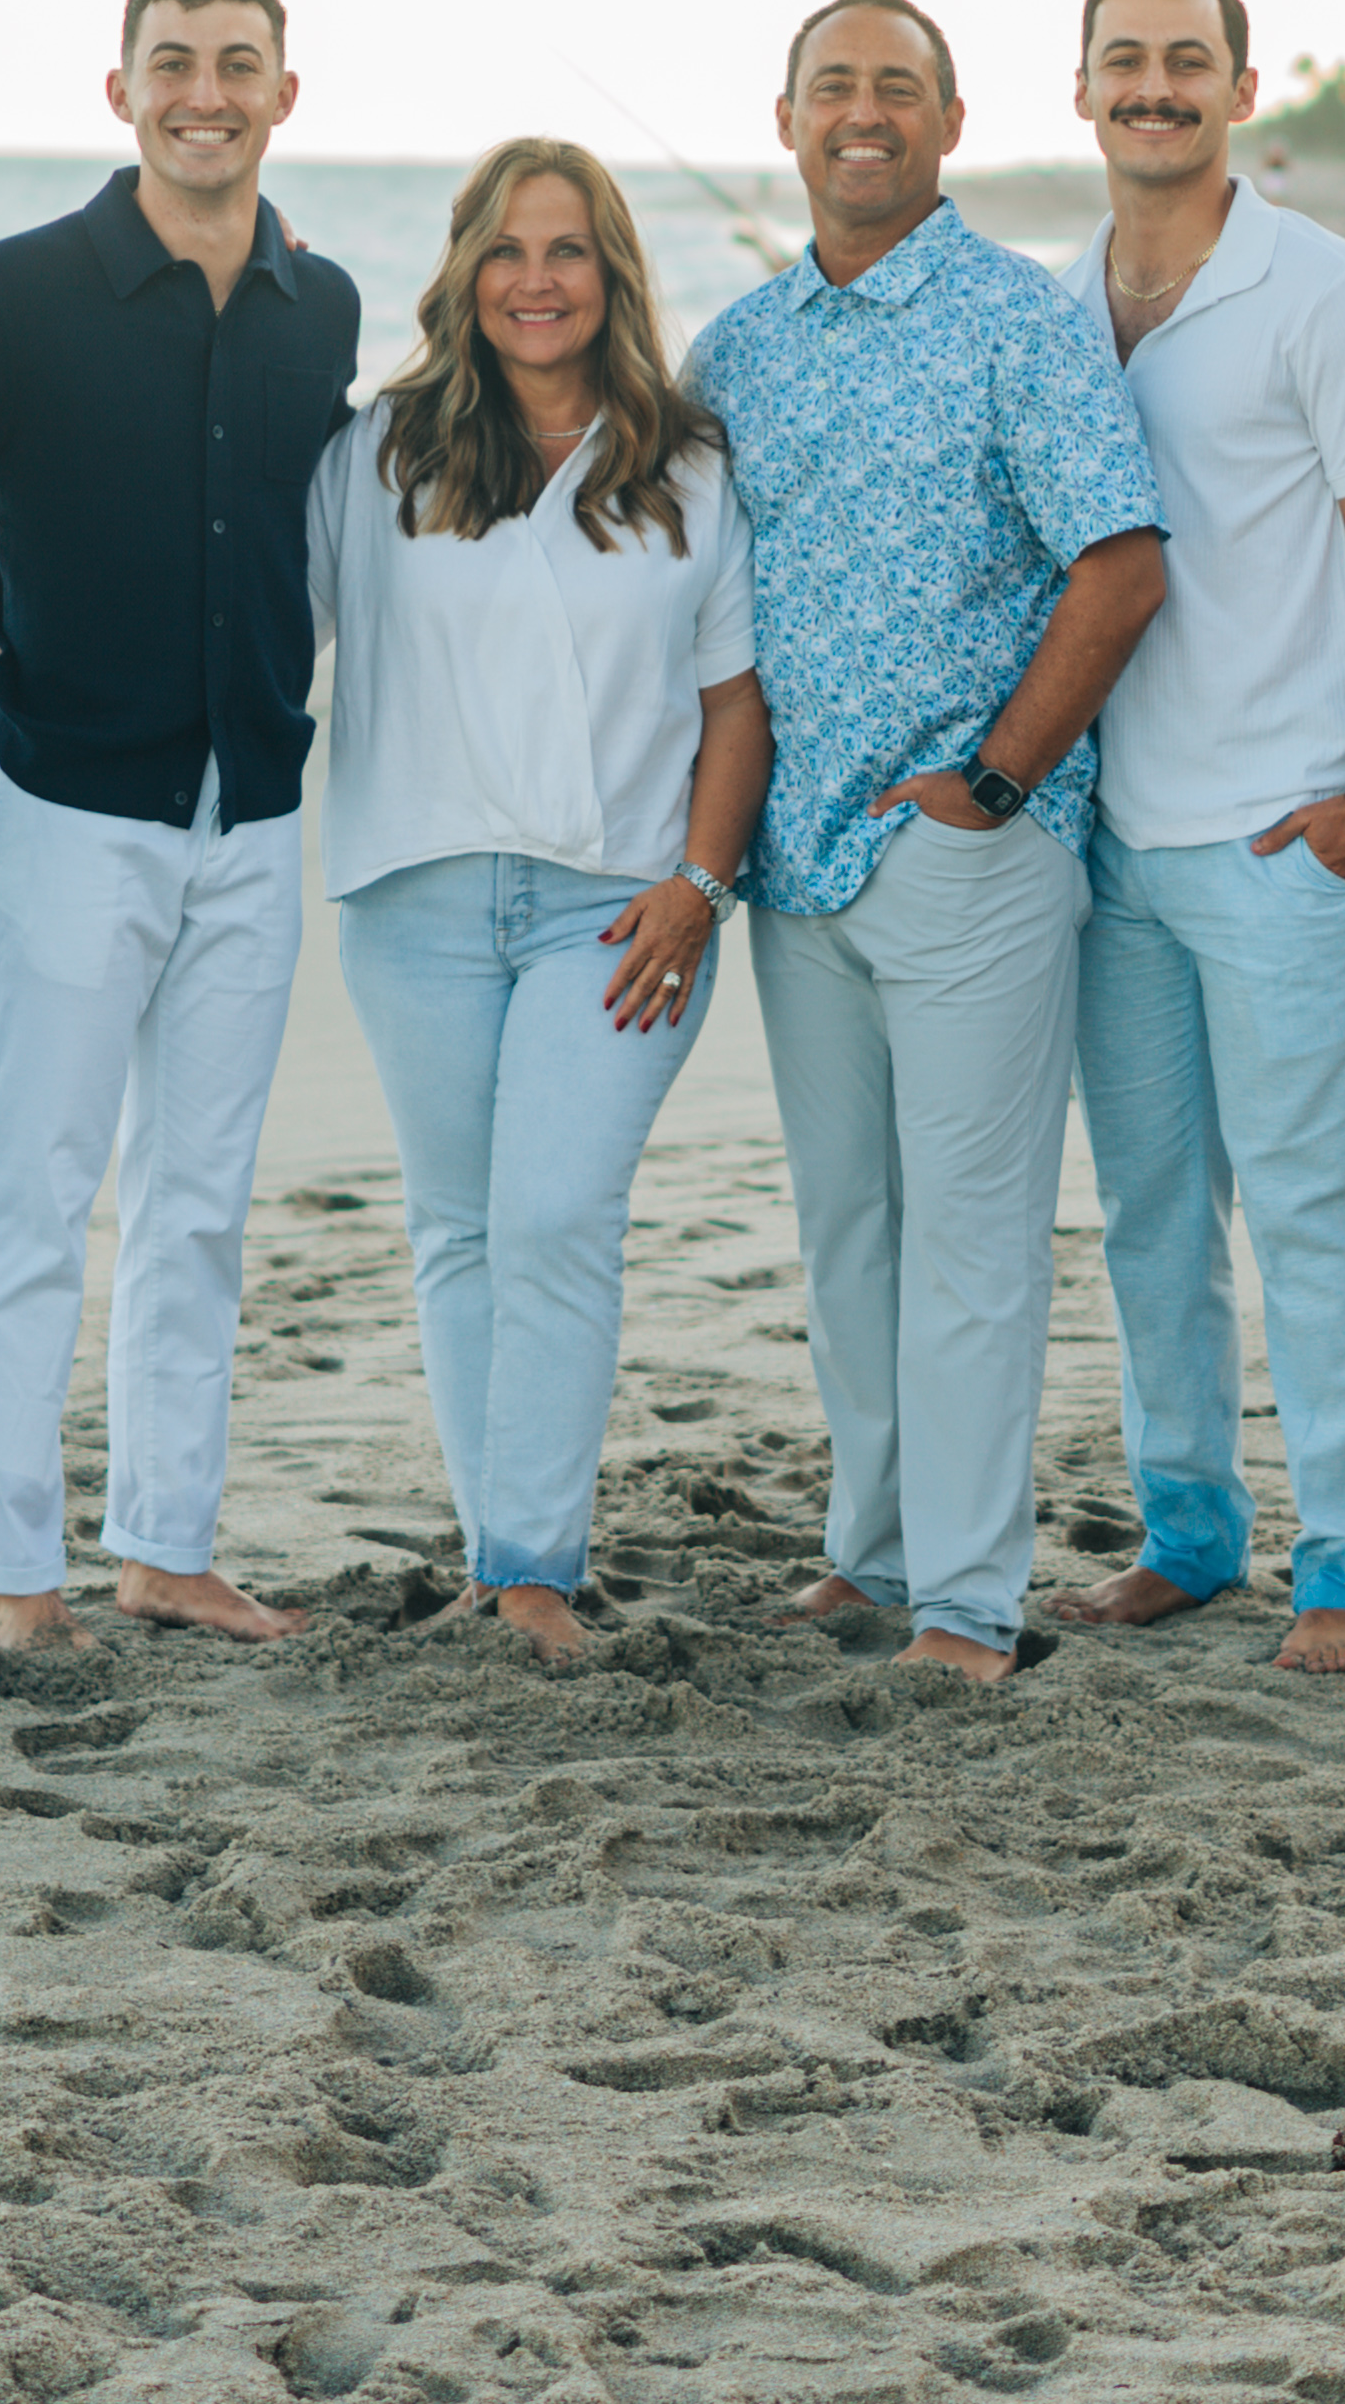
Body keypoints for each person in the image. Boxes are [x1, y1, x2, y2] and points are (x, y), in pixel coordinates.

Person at [687, 0, 1166, 1683]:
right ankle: (871, 1548)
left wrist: (998, 781)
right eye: (834, 86)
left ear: (950, 125)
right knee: (849, 1232)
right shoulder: (734, 349)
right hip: (791, 865)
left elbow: (1121, 562)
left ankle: (968, 1599)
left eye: (898, 88)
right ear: (788, 117)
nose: (863, 113)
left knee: (969, 1238)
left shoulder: (1015, 321)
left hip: (969, 854)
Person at [0, 0, 364, 1653]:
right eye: (172, 63)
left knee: (198, 1200)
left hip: (252, 807)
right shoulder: (17, 291)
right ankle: (8, 1571)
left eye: (237, 64)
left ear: (283, 92)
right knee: (31, 1191)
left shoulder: (317, 303)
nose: (206, 92)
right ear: (119, 92)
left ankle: (164, 1548)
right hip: (63, 799)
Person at [1037, 0, 1345, 1675]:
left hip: (1289, 834)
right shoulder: (1055, 302)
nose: (1154, 86)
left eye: (1185, 60)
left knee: (1305, 1205)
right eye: (1123, 59)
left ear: (1240, 88)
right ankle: (1188, 1529)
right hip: (1110, 841)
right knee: (1146, 1209)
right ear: (1079, 92)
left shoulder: (1327, 294)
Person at [310, 138, 774, 1661]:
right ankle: (501, 1549)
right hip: (417, 895)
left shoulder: (688, 466)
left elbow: (737, 703)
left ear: (613, 271)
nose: (535, 279)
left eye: (567, 249)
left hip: (624, 910)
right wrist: (9, 635)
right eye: (507, 250)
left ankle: (533, 1569)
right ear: (463, 271)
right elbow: (233, 603)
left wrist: (701, 884)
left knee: (557, 1215)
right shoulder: (373, 457)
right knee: (459, 1230)